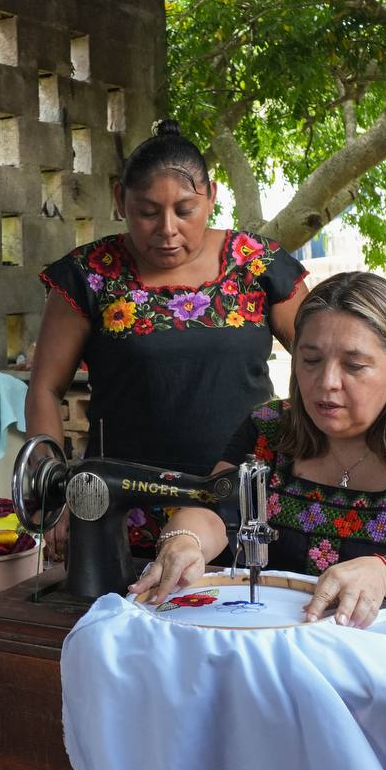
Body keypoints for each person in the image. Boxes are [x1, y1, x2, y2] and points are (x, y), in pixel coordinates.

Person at [130, 271, 386, 626]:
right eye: (311, 360)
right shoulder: (268, 429)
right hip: (278, 643)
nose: (327, 381)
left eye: (354, 365)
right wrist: (186, 540)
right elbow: (213, 510)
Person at [26, 120, 309, 555]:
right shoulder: (88, 275)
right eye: (147, 212)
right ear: (120, 200)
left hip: (244, 503)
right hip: (122, 511)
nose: (167, 228)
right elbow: (45, 389)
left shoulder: (257, 265)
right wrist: (55, 489)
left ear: (211, 196)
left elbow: (321, 361)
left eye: (185, 210)